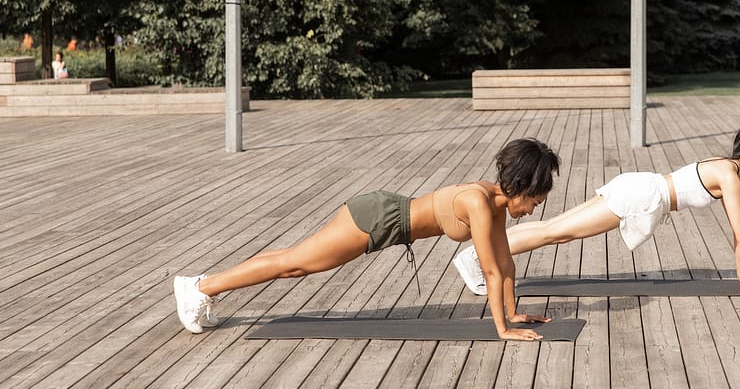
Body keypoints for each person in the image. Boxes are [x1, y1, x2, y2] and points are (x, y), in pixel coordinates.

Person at [174, 138, 562, 340]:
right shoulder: (479, 203)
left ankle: (203, 286)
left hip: (385, 218)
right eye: (534, 201)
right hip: (376, 220)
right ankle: (200, 287)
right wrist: (502, 329)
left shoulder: (493, 203)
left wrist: (512, 311)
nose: (532, 210)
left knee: (293, 262)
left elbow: (504, 262)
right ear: (519, 186)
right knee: (293, 264)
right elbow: (490, 272)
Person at [452, 127, 740, 297]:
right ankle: (474, 260)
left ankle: (476, 256)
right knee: (556, 233)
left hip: (642, 190)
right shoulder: (729, 175)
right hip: (641, 196)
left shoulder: (729, 172)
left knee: (556, 228)